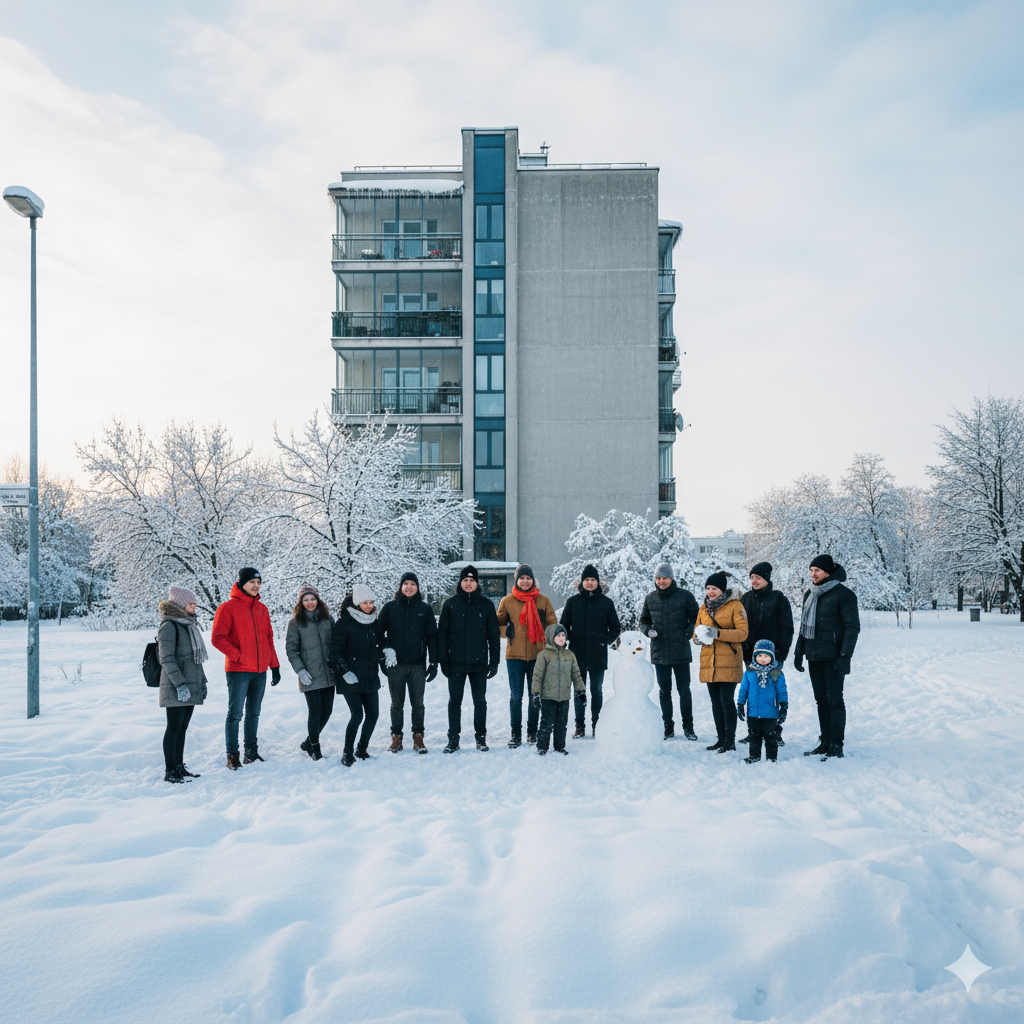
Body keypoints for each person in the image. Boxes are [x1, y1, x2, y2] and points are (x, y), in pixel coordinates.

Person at [211, 567, 281, 770]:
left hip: (260, 671)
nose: (256, 586)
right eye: (252, 582)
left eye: (258, 583)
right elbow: (217, 638)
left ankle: (251, 751)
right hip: (238, 671)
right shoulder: (228, 608)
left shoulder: (262, 609)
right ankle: (232, 755)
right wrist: (238, 656)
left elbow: (269, 639)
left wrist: (274, 665)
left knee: (254, 712)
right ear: (242, 583)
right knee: (235, 714)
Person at [793, 554, 861, 760]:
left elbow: (852, 628)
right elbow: (804, 626)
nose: (813, 574)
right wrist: (799, 652)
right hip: (814, 655)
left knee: (835, 700)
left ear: (827, 573)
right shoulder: (810, 594)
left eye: (817, 571)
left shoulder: (844, 595)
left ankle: (836, 744)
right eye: (811, 570)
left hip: (834, 656)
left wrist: (845, 657)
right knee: (820, 700)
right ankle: (824, 741)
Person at [437, 565, 500, 753]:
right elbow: (442, 635)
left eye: (472, 580)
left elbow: (493, 636)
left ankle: (481, 737)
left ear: (477, 583)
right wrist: (443, 661)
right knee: (454, 701)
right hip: (455, 662)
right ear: (460, 582)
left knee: (480, 701)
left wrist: (494, 661)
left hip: (479, 663)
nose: (468, 583)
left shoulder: (486, 605)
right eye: (465, 580)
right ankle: (453, 739)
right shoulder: (450, 605)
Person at [378, 571, 439, 754]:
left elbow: (432, 638)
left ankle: (418, 737)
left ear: (417, 587)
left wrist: (434, 662)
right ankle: (396, 737)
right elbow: (379, 634)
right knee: (396, 704)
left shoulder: (424, 609)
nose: (409, 587)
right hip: (395, 665)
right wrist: (383, 656)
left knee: (417, 703)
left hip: (417, 665)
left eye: (413, 584)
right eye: (406, 584)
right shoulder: (390, 608)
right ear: (401, 587)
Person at [497, 564, 557, 747]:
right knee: (516, 696)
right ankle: (516, 734)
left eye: (528, 578)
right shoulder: (507, 601)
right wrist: (506, 631)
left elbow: (553, 625)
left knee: (534, 696)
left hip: (537, 656)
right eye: (521, 578)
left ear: (533, 580)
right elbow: (497, 624)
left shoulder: (543, 600)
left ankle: (532, 732)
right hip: (514, 656)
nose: (525, 581)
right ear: (517, 580)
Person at [638, 562, 700, 740]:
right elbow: (643, 620)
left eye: (664, 577)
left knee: (684, 691)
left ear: (671, 578)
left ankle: (688, 727)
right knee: (664, 692)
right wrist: (647, 630)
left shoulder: (685, 596)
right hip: (660, 651)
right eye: (658, 578)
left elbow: (696, 619)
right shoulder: (650, 598)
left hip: (680, 652)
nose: (661, 581)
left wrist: (685, 634)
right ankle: (668, 727)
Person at [560, 563, 621, 738]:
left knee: (597, 690)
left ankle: (597, 725)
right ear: (582, 582)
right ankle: (580, 726)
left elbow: (615, 628)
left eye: (592, 580)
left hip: (598, 655)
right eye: (586, 579)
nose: (589, 583)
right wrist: (569, 638)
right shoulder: (572, 602)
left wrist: (604, 641)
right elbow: (564, 625)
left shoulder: (606, 603)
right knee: (580, 691)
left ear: (598, 582)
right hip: (577, 654)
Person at [739, 561, 794, 747]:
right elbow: (739, 625)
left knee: (773, 693)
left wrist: (781, 654)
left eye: (758, 577)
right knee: (753, 693)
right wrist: (744, 649)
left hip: (773, 659)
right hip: (751, 658)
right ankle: (753, 732)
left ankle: (774, 732)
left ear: (767, 579)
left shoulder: (778, 599)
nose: (754, 581)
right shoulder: (745, 599)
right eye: (752, 577)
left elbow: (787, 628)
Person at [157, 585, 208, 783]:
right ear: (179, 604)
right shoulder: (169, 625)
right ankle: (170, 771)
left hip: (190, 685)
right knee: (173, 728)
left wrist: (202, 682)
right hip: (176, 686)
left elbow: (196, 660)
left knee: (182, 728)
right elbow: (167, 659)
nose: (194, 606)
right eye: (190, 603)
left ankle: (179, 766)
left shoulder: (188, 624)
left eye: (195, 603)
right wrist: (180, 685)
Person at [693, 571, 749, 752]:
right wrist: (699, 637)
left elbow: (742, 633)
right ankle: (721, 738)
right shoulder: (703, 607)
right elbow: (695, 633)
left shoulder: (735, 605)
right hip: (709, 662)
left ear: (722, 590)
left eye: (714, 588)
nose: (710, 591)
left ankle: (730, 741)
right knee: (715, 701)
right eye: (708, 588)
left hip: (729, 660)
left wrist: (718, 633)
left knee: (726, 700)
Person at [331, 584, 384, 766]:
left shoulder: (373, 621)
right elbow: (335, 652)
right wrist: (345, 671)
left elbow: (380, 644)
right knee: (357, 715)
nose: (369, 606)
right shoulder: (344, 623)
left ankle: (362, 748)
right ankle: (347, 752)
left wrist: (388, 651)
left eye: (371, 602)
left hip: (370, 676)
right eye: (365, 603)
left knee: (373, 714)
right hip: (350, 677)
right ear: (356, 603)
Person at [285, 584, 335, 761]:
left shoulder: (328, 619)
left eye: (312, 599)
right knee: (315, 712)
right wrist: (300, 670)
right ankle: (314, 747)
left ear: (318, 600)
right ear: (300, 602)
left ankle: (307, 742)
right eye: (305, 600)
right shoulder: (296, 623)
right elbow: (292, 650)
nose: (310, 602)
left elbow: (336, 644)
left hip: (329, 674)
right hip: (310, 675)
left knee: (327, 711)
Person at [531, 623, 585, 755]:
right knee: (546, 723)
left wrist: (580, 691)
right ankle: (542, 747)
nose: (561, 638)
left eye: (563, 635)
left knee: (562, 724)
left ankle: (559, 746)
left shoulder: (570, 655)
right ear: (551, 637)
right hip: (548, 696)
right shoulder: (544, 655)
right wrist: (536, 694)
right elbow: (537, 675)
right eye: (558, 635)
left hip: (564, 696)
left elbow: (576, 674)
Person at [736, 639, 788, 763]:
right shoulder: (750, 672)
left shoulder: (776, 673)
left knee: (770, 736)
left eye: (766, 656)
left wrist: (784, 707)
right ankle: (754, 756)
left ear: (772, 657)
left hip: (770, 713)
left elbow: (782, 691)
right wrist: (740, 704)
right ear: (755, 657)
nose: (762, 659)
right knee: (754, 735)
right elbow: (743, 689)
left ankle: (771, 758)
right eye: (759, 656)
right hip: (753, 712)